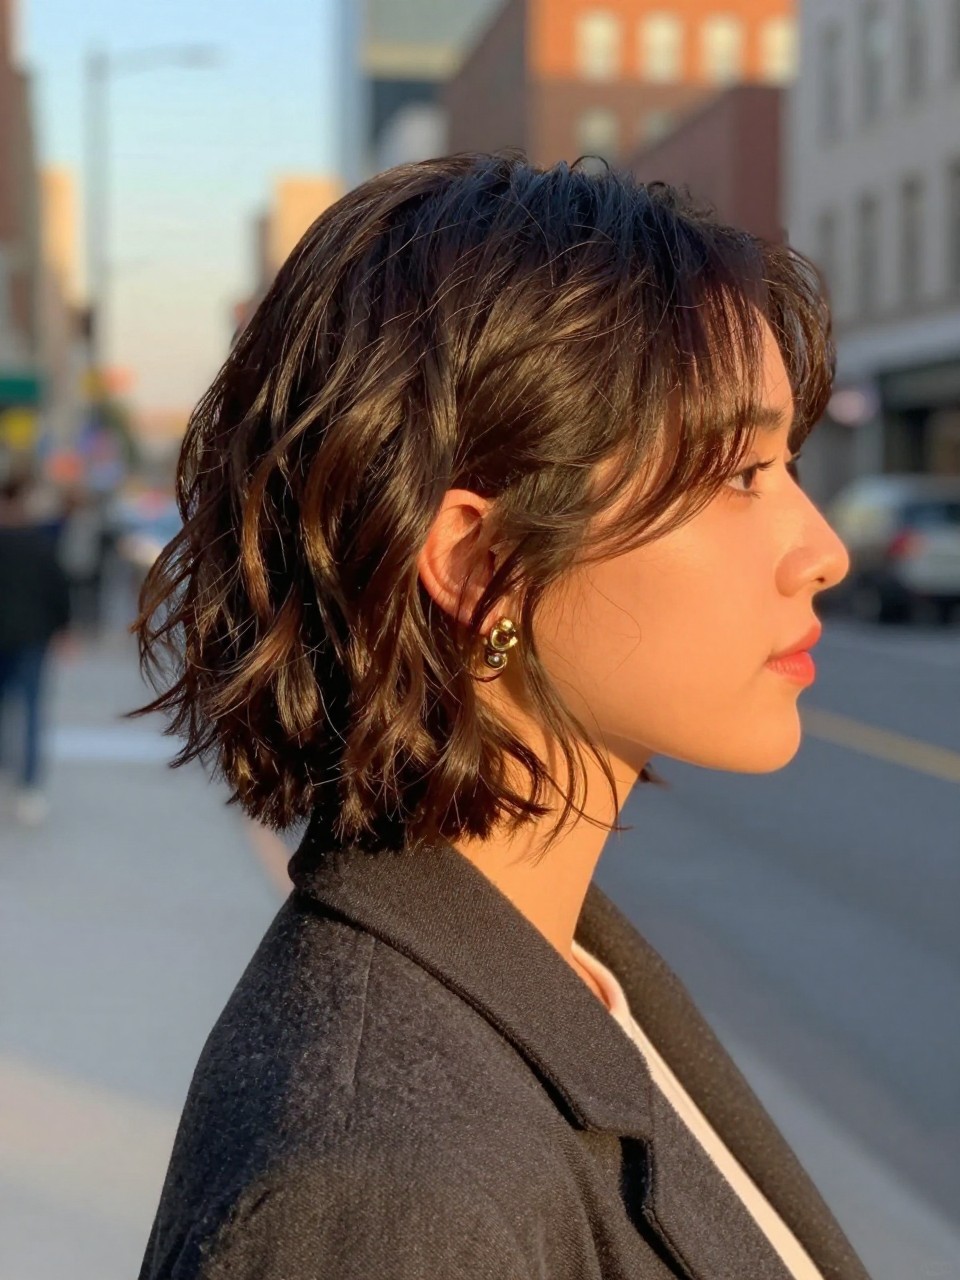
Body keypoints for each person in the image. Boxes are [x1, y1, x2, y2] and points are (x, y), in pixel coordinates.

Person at [131, 154, 868, 1280]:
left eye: (792, 464)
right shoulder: (383, 1185)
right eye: (739, 473)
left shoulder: (555, 965)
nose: (824, 549)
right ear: (479, 562)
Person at [0, 469, 72, 825]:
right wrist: (64, 628)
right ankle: (29, 789)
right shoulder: (40, 542)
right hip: (31, 638)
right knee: (30, 712)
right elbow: (58, 589)